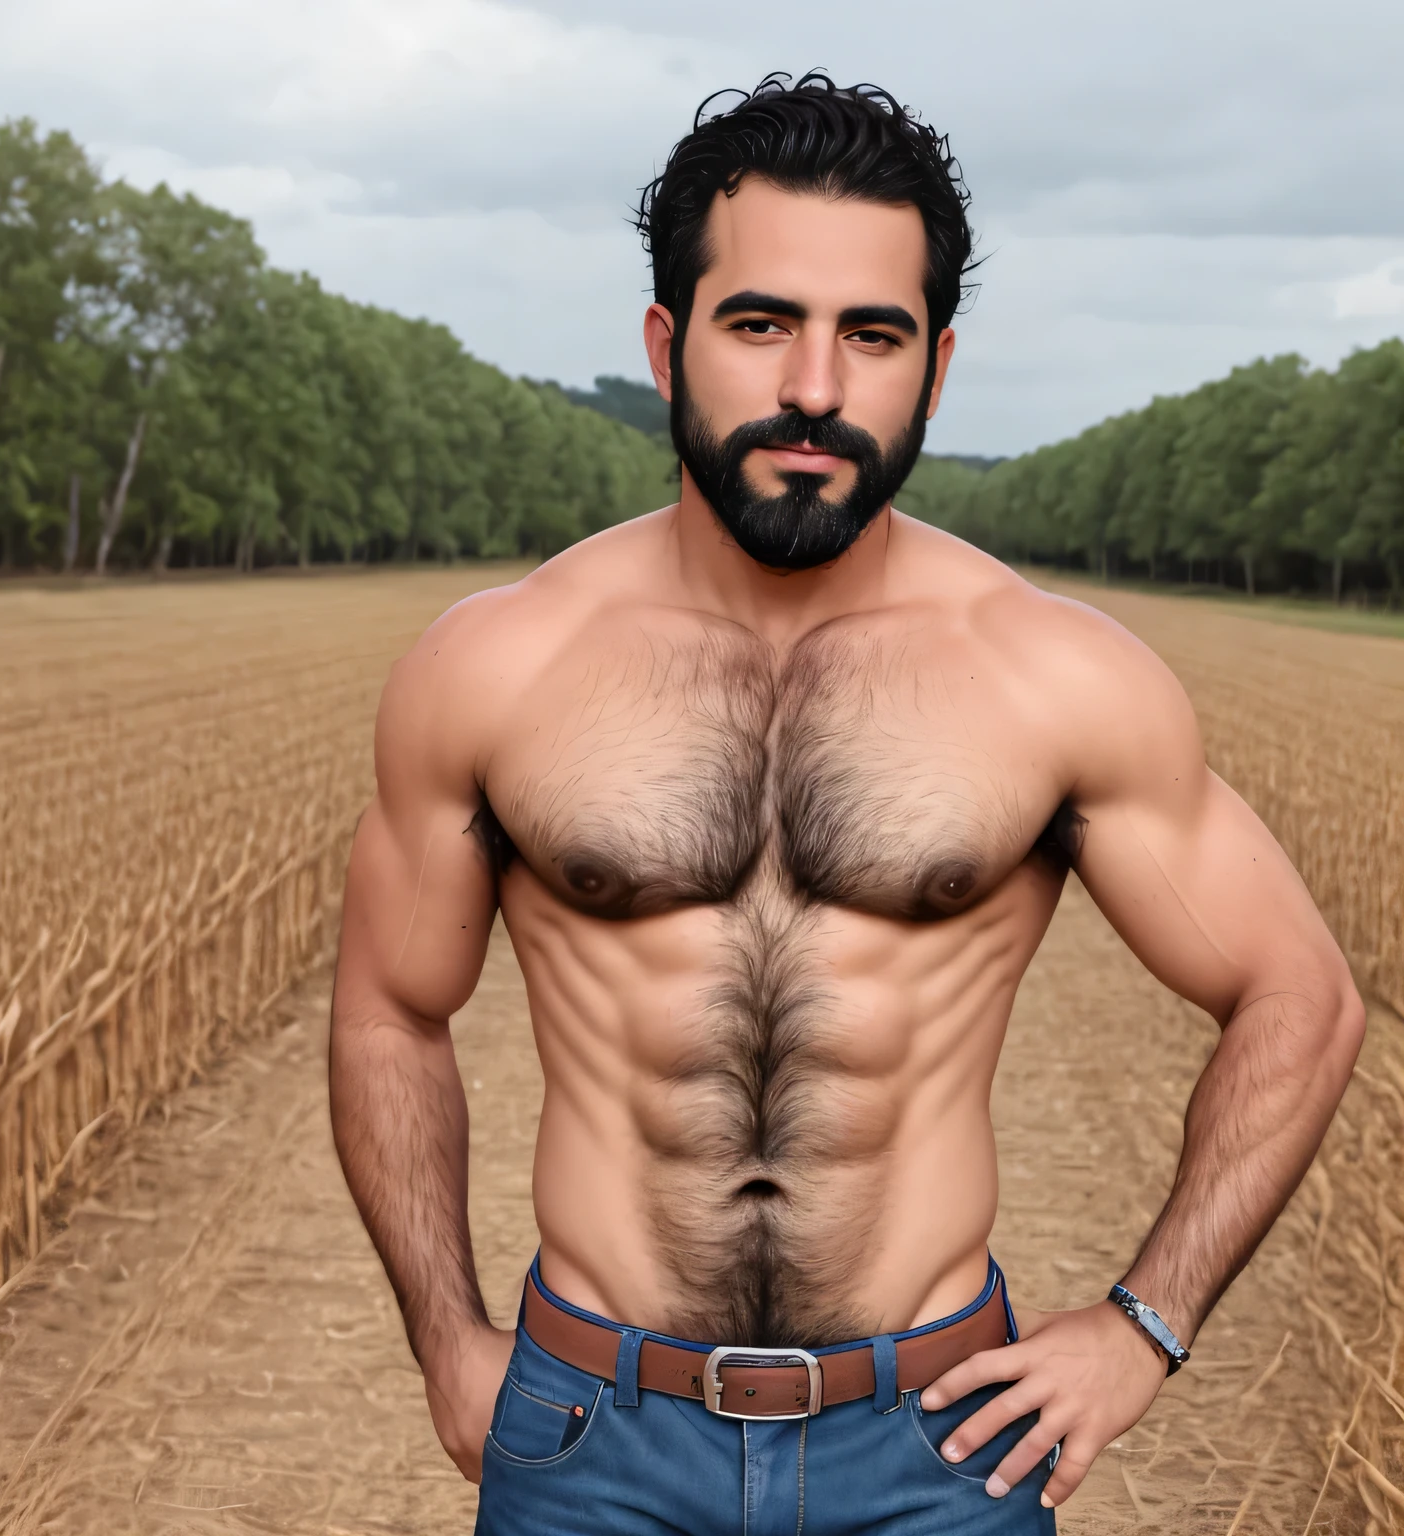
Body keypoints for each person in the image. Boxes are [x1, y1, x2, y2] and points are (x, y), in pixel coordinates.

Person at [328, 73, 1364, 1535]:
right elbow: (389, 1007)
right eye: (760, 323)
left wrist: (1145, 1325)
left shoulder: (1046, 675)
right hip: (594, 1439)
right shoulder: (500, 664)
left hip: (938, 1449)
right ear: (666, 341)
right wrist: (446, 1332)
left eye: (871, 335)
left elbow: (1299, 997)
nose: (814, 387)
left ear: (934, 370)